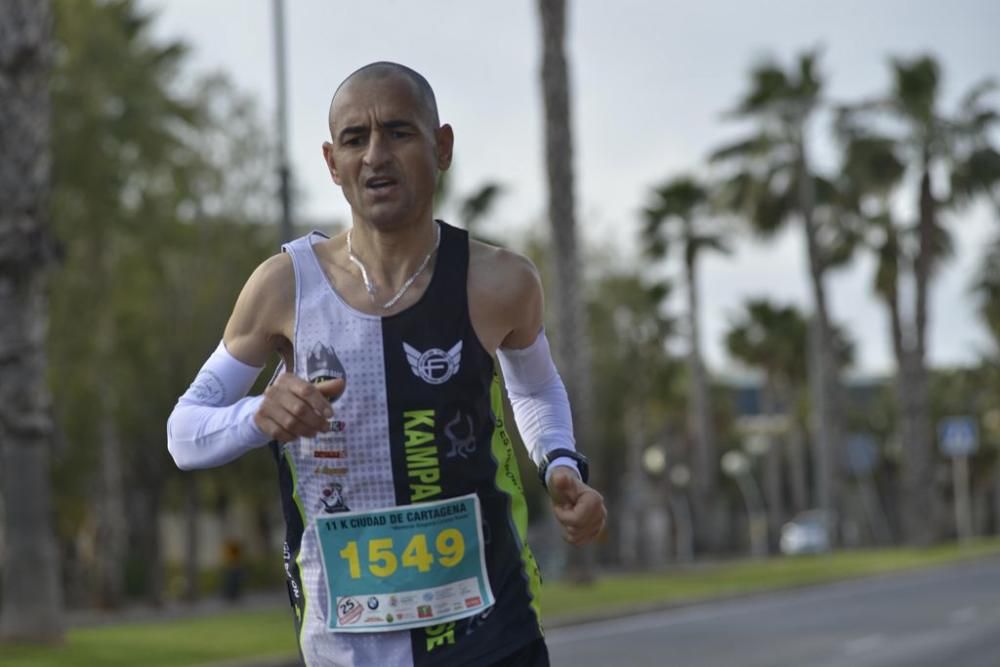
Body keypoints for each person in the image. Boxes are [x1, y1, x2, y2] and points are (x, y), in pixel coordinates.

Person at [167, 61, 606, 667]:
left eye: (398, 132)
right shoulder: (283, 287)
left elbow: (534, 387)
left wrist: (560, 461)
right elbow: (184, 433)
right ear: (331, 162)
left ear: (441, 145)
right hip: (346, 644)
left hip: (491, 630)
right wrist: (258, 415)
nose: (375, 154)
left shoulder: (499, 281)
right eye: (355, 139)